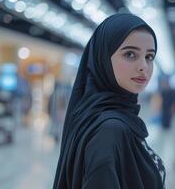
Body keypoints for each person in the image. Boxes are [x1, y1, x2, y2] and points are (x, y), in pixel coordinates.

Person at [53, 13, 165, 189]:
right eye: (130, 54)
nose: (143, 66)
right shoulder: (109, 130)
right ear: (103, 58)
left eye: (149, 56)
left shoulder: (98, 116)